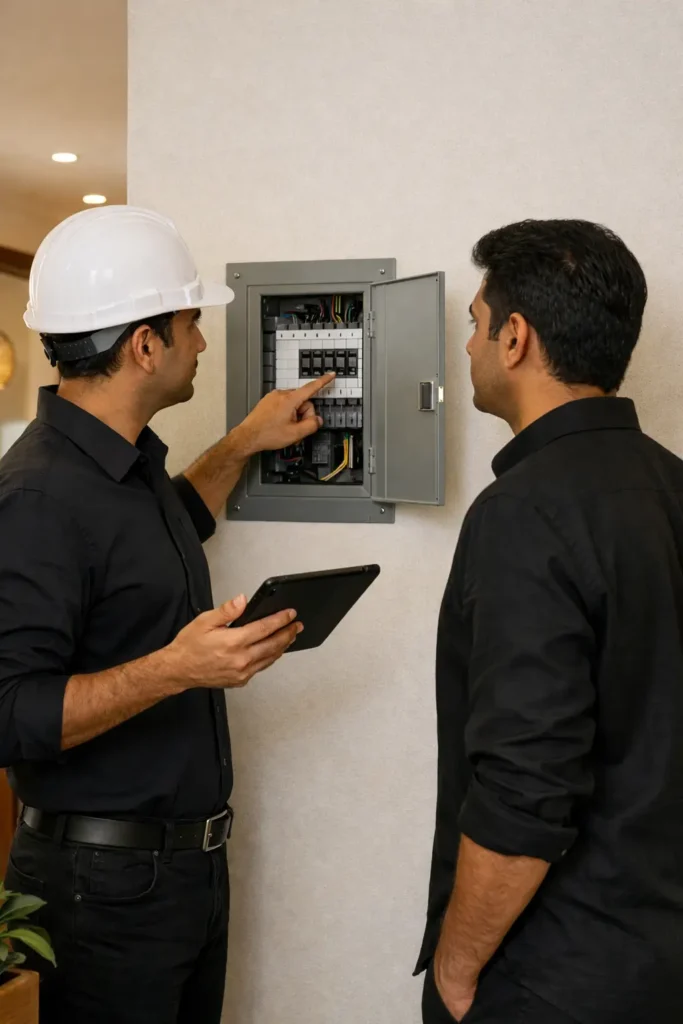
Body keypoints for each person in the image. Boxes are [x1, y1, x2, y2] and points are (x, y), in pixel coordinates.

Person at [0, 205, 334, 1024]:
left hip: (179, 879)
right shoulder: (37, 496)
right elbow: (9, 715)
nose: (202, 343)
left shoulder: (123, 465)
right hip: (95, 894)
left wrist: (243, 444)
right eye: (190, 324)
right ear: (144, 346)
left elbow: (158, 539)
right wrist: (175, 669)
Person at [417, 219, 683, 1023]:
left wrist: (456, 970)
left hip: (554, 977)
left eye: (473, 322)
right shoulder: (671, 487)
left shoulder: (524, 513)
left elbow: (525, 793)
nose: (466, 345)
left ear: (515, 337)